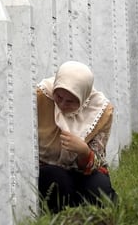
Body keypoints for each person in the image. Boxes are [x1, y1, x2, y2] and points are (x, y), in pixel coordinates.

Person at [36, 60, 117, 213]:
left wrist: (83, 151)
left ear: (83, 97)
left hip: (83, 171)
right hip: (48, 169)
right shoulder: (42, 97)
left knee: (99, 188)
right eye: (59, 97)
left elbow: (98, 158)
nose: (62, 104)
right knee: (56, 180)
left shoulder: (100, 111)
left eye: (71, 101)